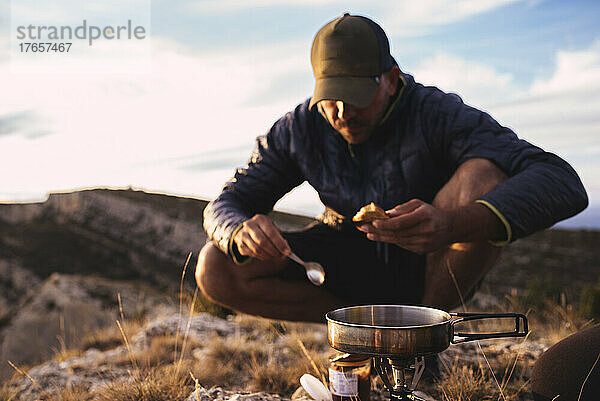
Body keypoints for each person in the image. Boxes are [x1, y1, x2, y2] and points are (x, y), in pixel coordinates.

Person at [195, 13, 588, 323]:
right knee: (216, 265)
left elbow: (563, 183)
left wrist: (453, 224)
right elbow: (225, 203)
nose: (342, 113)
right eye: (332, 98)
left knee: (483, 176)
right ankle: (359, 332)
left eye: (357, 96)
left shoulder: (437, 113)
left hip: (431, 261)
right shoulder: (300, 127)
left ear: (391, 79)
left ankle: (421, 336)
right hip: (345, 255)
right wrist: (239, 230)